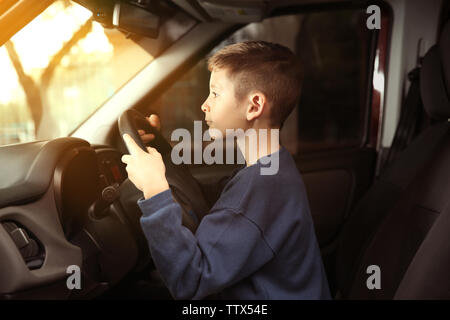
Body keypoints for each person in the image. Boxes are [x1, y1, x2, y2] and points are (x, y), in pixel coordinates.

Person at [121, 41, 331, 299]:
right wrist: (162, 153)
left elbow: (190, 282)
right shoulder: (272, 168)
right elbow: (216, 201)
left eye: (215, 93)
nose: (204, 105)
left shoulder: (261, 186)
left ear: (254, 106)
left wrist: (154, 191)